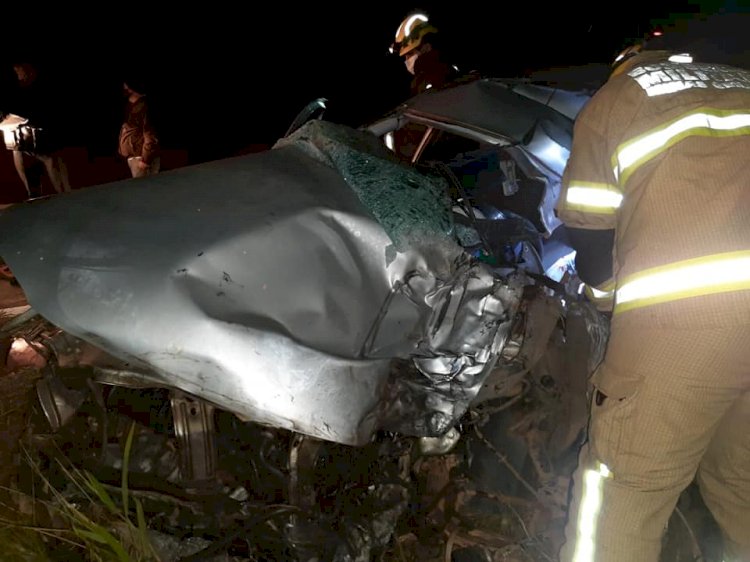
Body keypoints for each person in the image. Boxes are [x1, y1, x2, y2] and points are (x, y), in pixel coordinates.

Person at [556, 13, 750, 562]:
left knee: (623, 489)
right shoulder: (740, 82)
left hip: (686, 325)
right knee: (741, 485)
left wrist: (602, 305)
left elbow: (590, 233)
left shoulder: (619, 97)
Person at [4, 61, 71, 198]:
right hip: (28, 130)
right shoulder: (19, 89)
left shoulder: (37, 86)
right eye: (16, 72)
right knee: (17, 150)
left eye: (19, 71)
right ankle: (31, 190)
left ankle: (63, 190)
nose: (18, 75)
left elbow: (41, 110)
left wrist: (26, 120)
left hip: (44, 129)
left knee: (51, 158)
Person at [390, 10, 460, 96]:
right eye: (405, 56)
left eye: (410, 53)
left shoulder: (427, 79)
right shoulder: (450, 69)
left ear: (426, 47)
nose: (407, 60)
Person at [119, 77, 160, 178]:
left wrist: (145, 160)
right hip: (134, 158)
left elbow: (150, 135)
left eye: (128, 89)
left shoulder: (143, 107)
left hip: (140, 159)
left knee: (146, 191)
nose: (126, 92)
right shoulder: (131, 108)